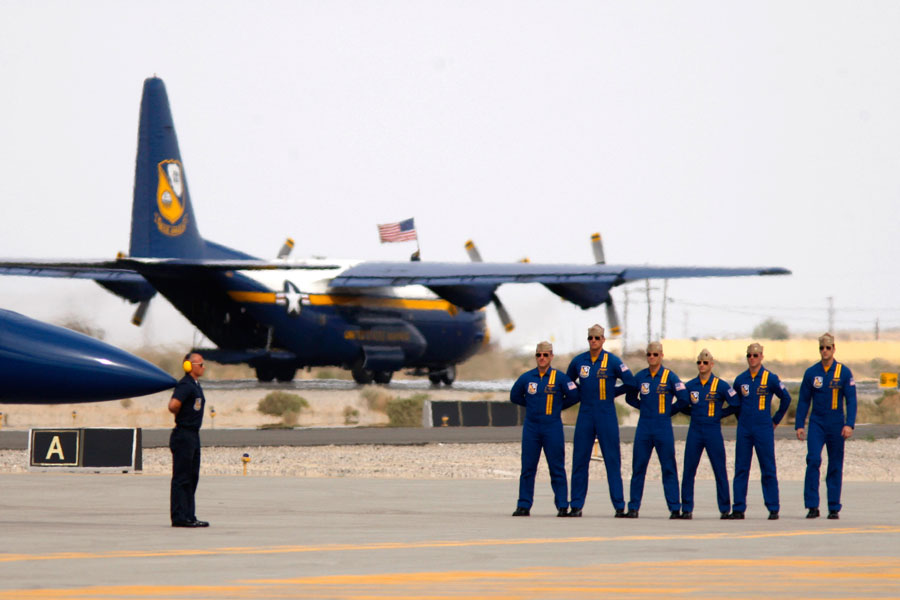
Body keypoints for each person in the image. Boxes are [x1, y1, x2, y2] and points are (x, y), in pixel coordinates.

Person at [566, 324, 636, 518]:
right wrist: (578, 394)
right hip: (585, 414)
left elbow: (631, 382)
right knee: (580, 460)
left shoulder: (613, 361)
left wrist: (614, 392)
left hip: (606, 414)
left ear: (603, 340)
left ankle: (619, 506)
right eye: (590, 338)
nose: (594, 341)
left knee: (612, 460)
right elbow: (567, 383)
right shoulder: (579, 361)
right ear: (587, 340)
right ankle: (576, 505)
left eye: (597, 338)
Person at [509, 341, 580, 517]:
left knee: (557, 467)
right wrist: (532, 405)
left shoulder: (560, 378)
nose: (542, 358)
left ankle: (562, 505)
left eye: (545, 355)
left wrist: (557, 406)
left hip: (552, 427)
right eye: (539, 355)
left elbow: (574, 395)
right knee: (528, 468)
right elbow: (514, 396)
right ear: (536, 357)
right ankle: (523, 505)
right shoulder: (527, 378)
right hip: (532, 428)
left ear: (551, 356)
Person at [623, 341, 689, 519]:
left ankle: (675, 508)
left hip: (663, 427)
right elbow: (630, 396)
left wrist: (669, 411)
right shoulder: (641, 376)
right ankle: (633, 507)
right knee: (638, 468)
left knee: (668, 468)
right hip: (644, 426)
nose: (652, 357)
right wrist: (642, 407)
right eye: (649, 354)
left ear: (661, 356)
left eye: (655, 354)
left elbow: (683, 398)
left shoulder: (670, 376)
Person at [795, 333, 856, 519]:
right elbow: (804, 401)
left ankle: (834, 507)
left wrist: (849, 424)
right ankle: (812, 506)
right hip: (817, 423)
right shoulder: (811, 373)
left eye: (828, 348)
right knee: (813, 459)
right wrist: (799, 425)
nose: (824, 351)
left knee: (835, 464)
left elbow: (851, 400)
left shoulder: (844, 373)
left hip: (836, 423)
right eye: (822, 348)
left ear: (834, 349)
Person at [673, 349, 739, 519]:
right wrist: (690, 413)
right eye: (699, 362)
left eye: (705, 362)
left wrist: (720, 414)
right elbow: (682, 403)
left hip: (713, 431)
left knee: (719, 470)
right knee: (689, 470)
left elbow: (736, 403)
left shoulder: (721, 385)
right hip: (695, 430)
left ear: (712, 364)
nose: (702, 365)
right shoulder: (690, 386)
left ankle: (725, 509)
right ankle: (686, 509)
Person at [730, 342, 791, 520]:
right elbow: (735, 403)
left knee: (768, 468)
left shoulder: (770, 378)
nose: (752, 358)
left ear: (762, 356)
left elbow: (785, 398)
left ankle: (773, 507)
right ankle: (739, 508)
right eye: (749, 355)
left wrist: (776, 420)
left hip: (764, 428)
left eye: (755, 355)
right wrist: (740, 420)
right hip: (744, 429)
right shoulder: (740, 380)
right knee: (741, 468)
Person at [168, 352, 209, 527]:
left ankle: (189, 515)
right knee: (182, 477)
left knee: (192, 476)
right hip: (184, 434)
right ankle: (179, 516)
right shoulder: (185, 385)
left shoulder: (195, 385)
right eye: (200, 364)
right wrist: (183, 417)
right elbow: (173, 405)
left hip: (193, 435)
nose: (203, 367)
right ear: (189, 366)